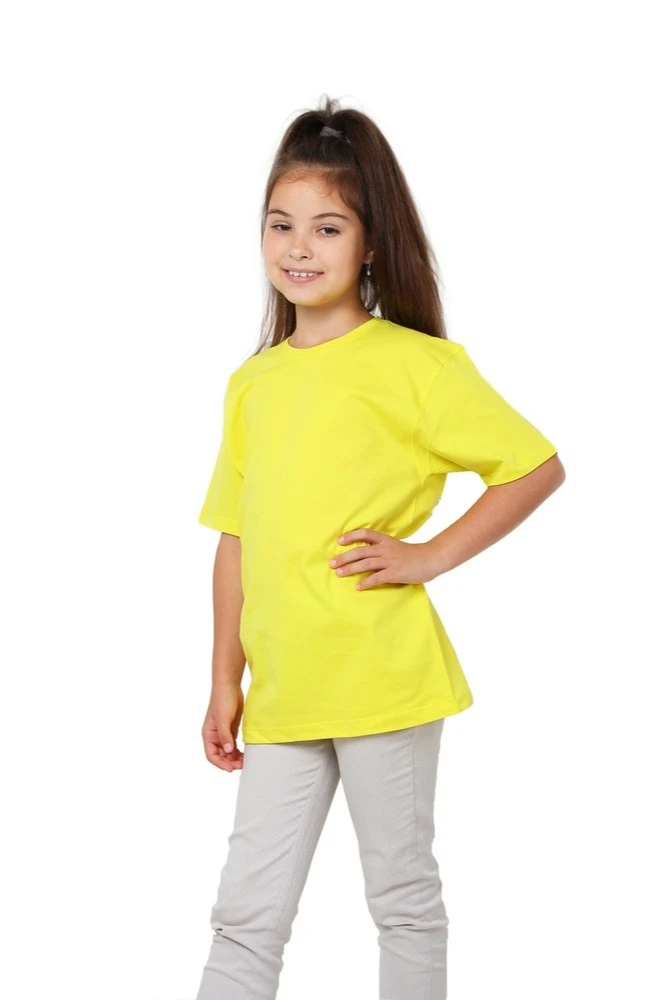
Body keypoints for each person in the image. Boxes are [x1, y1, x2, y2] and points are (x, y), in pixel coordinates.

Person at [194, 95, 565, 1000]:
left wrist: (427, 556)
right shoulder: (253, 383)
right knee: (245, 914)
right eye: (280, 224)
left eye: (327, 227)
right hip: (284, 691)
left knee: (401, 899)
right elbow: (236, 539)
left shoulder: (417, 366)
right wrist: (224, 680)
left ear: (368, 244)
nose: (299, 247)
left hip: (381, 678)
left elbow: (534, 467)